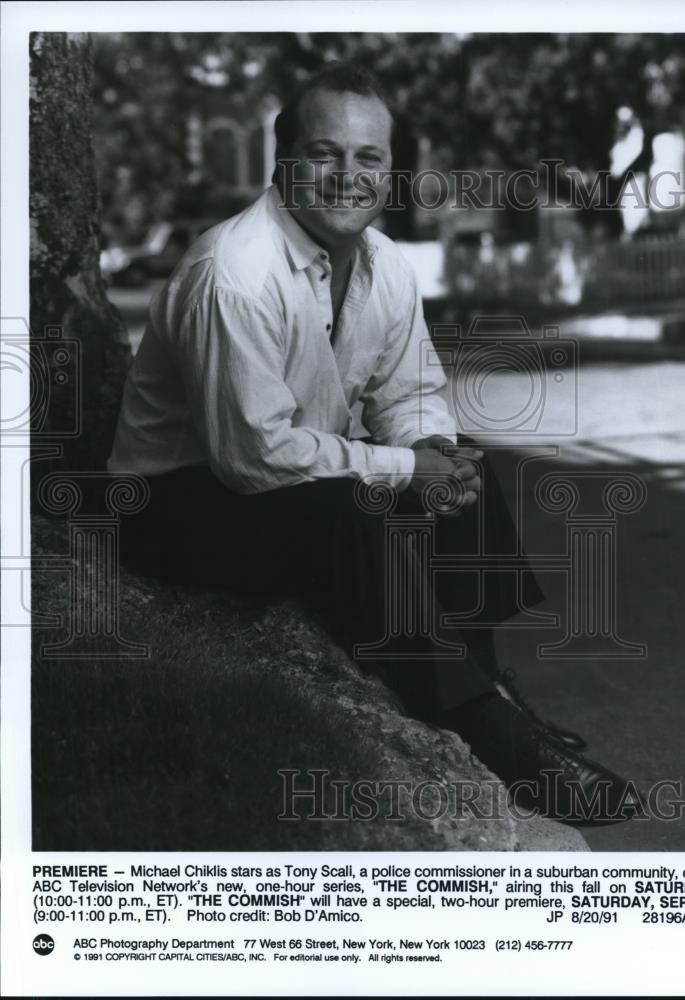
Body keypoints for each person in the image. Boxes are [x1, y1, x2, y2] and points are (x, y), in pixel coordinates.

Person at [109, 61, 641, 825]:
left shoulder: (385, 263)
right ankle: (483, 731)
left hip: (286, 476)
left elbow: (408, 393)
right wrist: (404, 467)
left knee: (459, 466)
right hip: (181, 502)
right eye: (325, 153)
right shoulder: (235, 275)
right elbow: (251, 458)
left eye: (369, 158)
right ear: (284, 160)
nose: (348, 176)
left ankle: (488, 688)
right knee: (354, 509)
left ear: (390, 169)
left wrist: (433, 455)